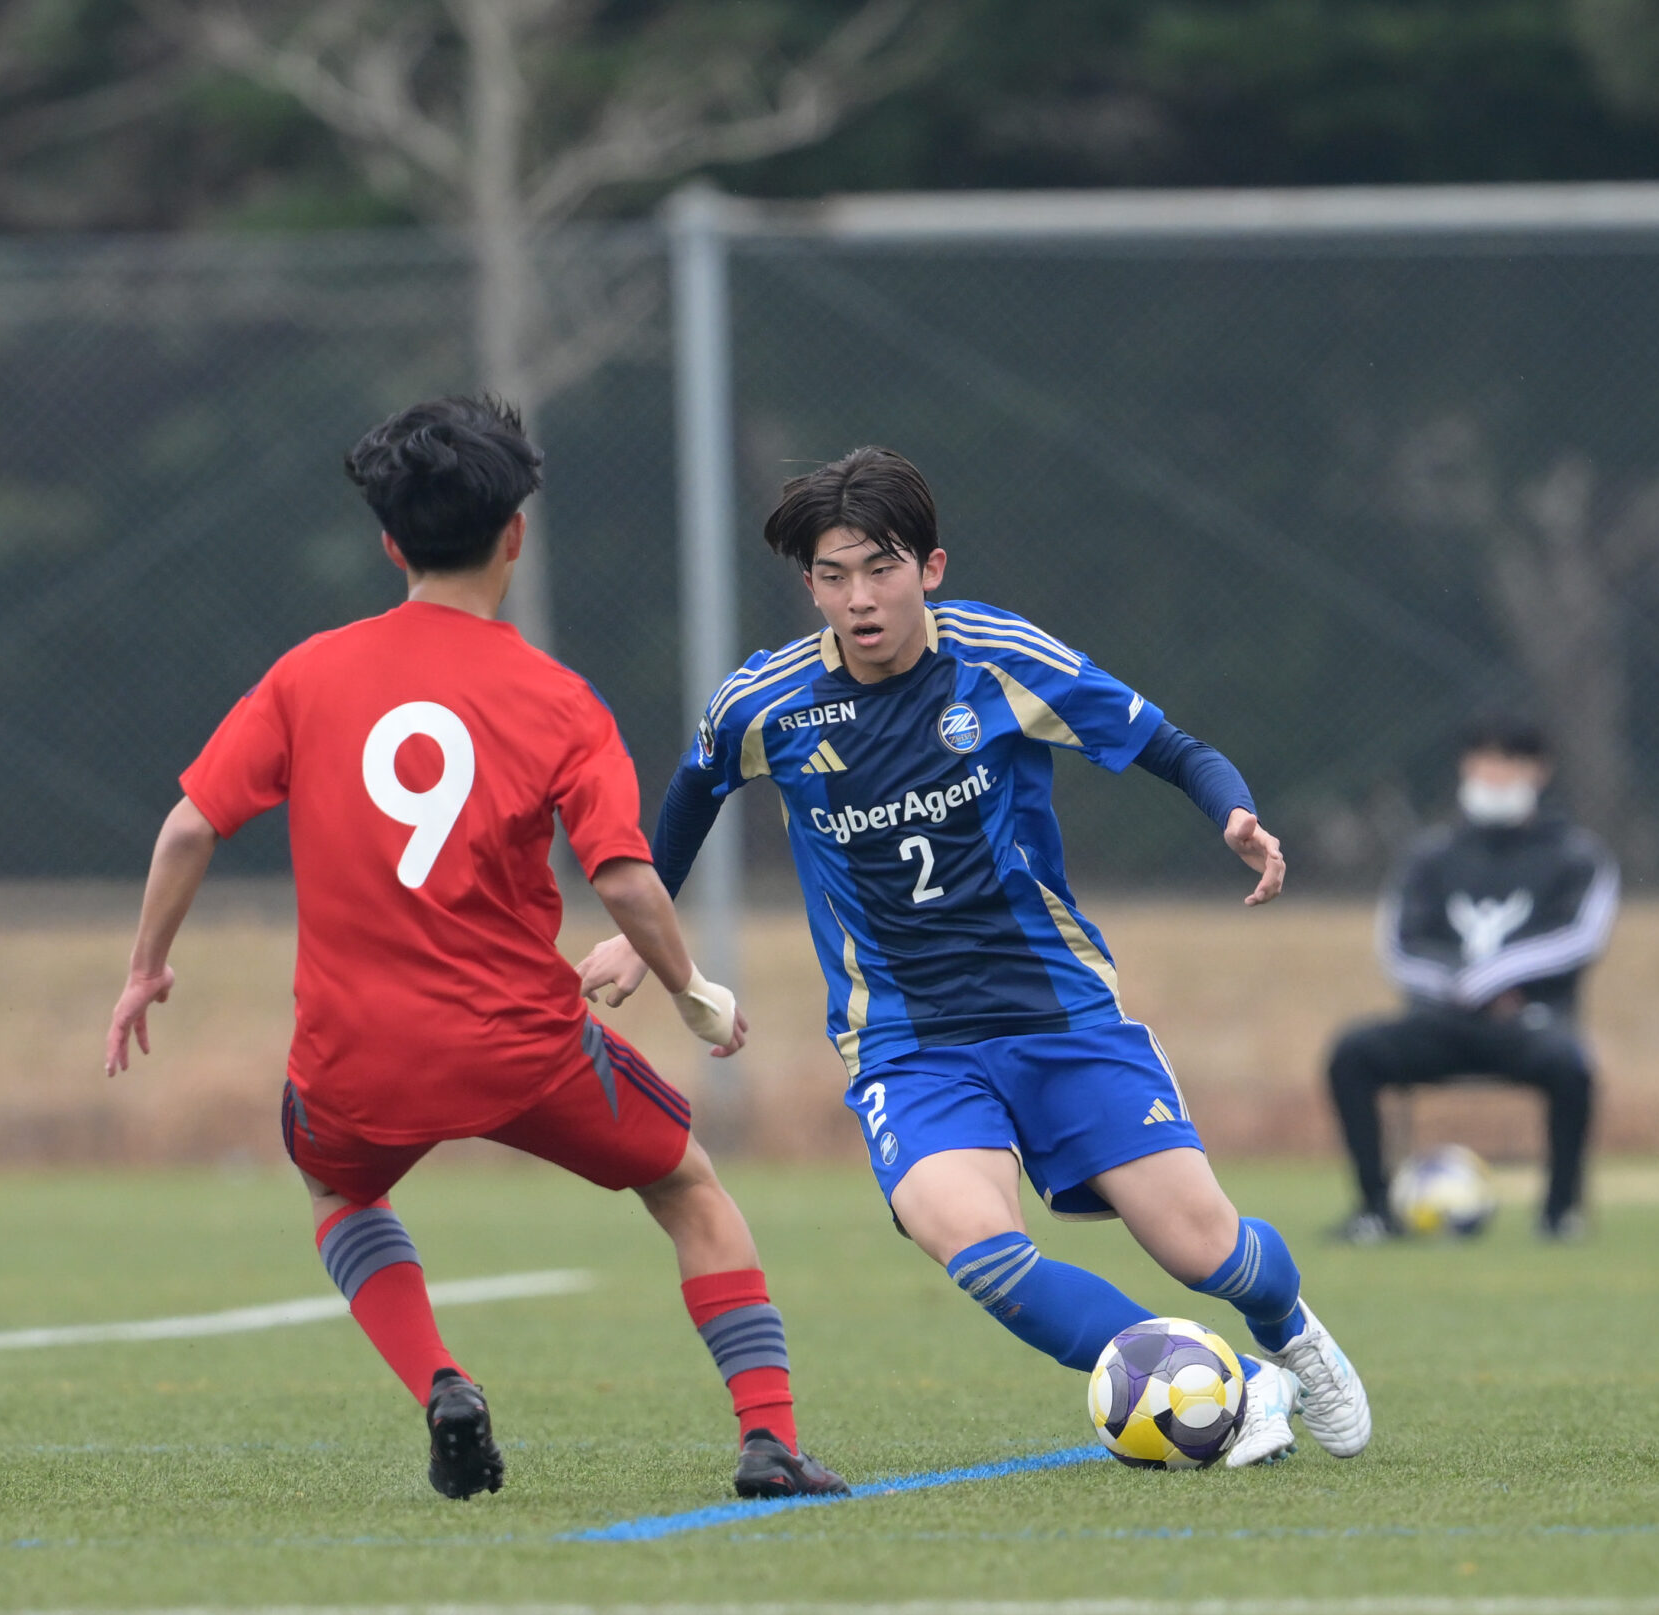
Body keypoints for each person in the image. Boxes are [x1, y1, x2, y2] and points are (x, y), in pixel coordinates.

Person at [104, 395, 847, 1502]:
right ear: (516, 535)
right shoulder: (559, 701)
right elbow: (623, 877)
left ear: (388, 542)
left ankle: (443, 1382)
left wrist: (146, 968)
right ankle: (768, 1439)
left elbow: (187, 827)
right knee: (688, 1187)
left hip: (356, 1054)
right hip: (525, 1047)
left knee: (338, 1190)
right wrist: (691, 987)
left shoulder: (308, 674)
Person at [579, 446, 1370, 1468]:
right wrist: (639, 934)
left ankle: (1289, 1333)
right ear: (810, 585)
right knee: (975, 1246)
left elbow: (1170, 745)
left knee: (1203, 1247)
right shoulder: (765, 702)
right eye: (833, 576)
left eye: (881, 569)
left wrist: (1233, 813)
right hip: (905, 1041)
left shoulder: (1001, 659)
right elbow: (691, 797)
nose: (859, 599)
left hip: (1058, 1013)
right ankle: (1224, 1381)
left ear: (931, 568)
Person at [1326, 717, 1618, 1243]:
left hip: (1529, 1022)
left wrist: (1491, 980)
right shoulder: (1430, 855)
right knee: (1353, 1053)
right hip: (1440, 1022)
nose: (1495, 775)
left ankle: (1560, 1215)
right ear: (1466, 767)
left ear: (1539, 771)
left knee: (1572, 1064)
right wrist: (1464, 990)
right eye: (1484, 761)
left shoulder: (1577, 856)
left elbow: (1578, 937)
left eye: (1510, 762)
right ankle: (1374, 1211)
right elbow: (1401, 945)